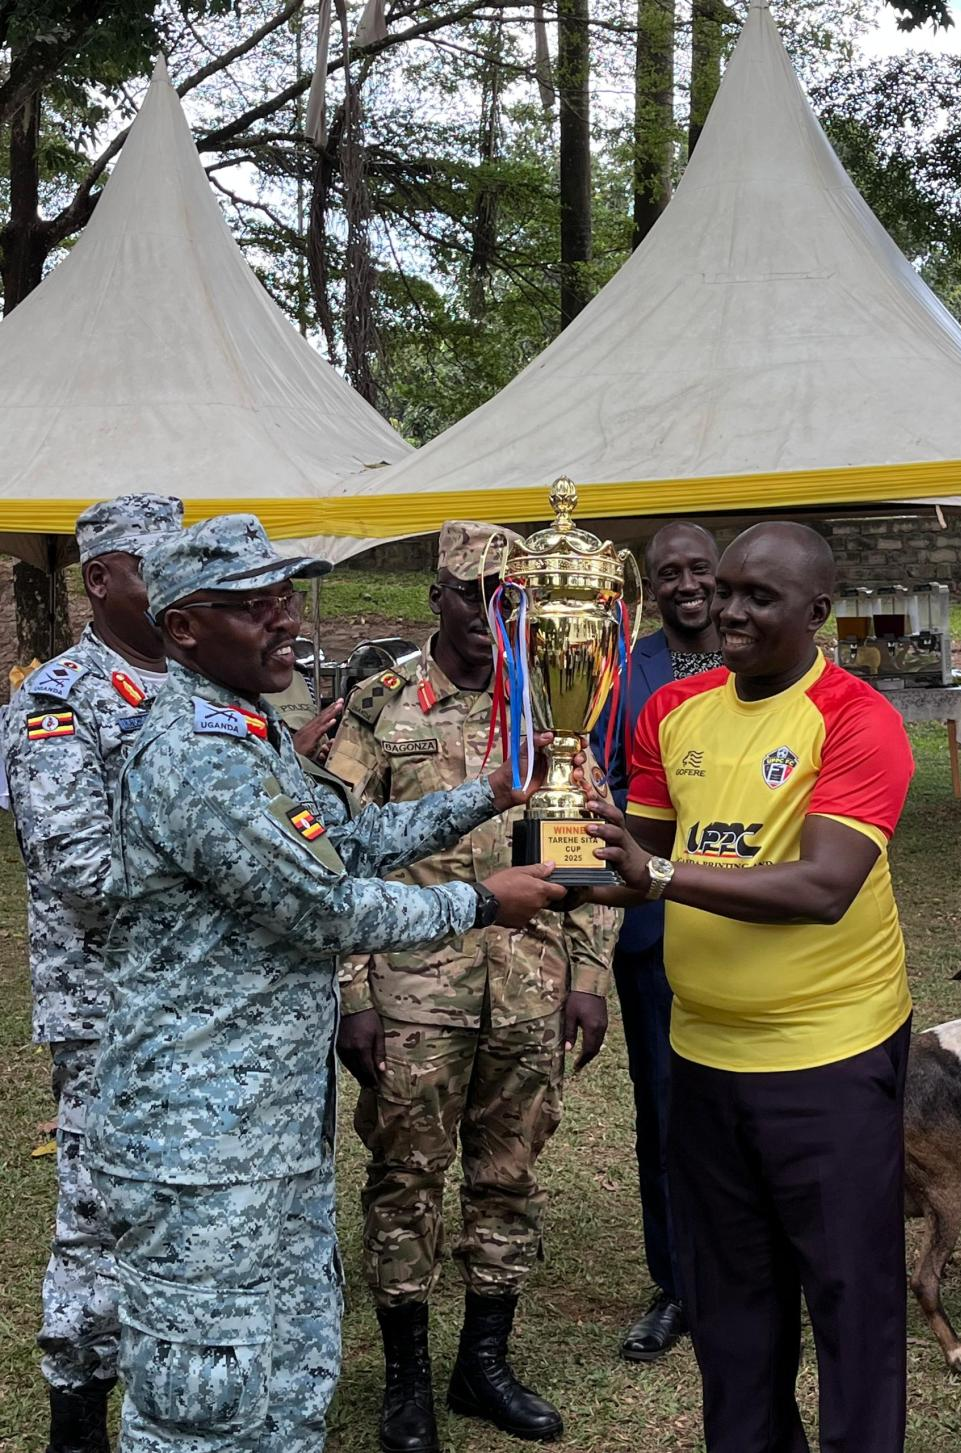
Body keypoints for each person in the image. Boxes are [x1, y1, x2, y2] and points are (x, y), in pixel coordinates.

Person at [83, 514, 571, 1453]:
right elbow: (328, 908)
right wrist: (480, 900)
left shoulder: (249, 733)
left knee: (290, 1371)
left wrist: (488, 794)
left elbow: (342, 841)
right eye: (255, 607)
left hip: (263, 1130)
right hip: (197, 1148)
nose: (286, 624)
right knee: (204, 1394)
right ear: (184, 627)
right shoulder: (196, 755)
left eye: (285, 600)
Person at [585, 521, 915, 1453]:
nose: (728, 608)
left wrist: (658, 876)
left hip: (830, 1061)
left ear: (817, 613)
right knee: (731, 1314)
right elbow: (629, 860)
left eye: (756, 596)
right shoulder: (674, 711)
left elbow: (823, 886)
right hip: (703, 1057)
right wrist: (545, 850)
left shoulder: (856, 718)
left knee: (852, 1307)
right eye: (723, 589)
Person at [326, 520, 617, 1452]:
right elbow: (331, 854)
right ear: (437, 597)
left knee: (508, 1178)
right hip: (415, 995)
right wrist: (354, 990)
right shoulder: (383, 703)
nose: (495, 617)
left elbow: (591, 848)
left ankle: (483, 1365)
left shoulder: (558, 704)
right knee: (405, 1179)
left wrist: (588, 969)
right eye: (474, 595)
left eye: (512, 598)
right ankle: (406, 1378)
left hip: (528, 986)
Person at [4, 493, 184, 1453]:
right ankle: (76, 1415)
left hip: (203, 1012)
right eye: (150, 567)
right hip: (105, 1009)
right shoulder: (57, 699)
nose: (168, 587)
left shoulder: (202, 683)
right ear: (98, 578)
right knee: (96, 1217)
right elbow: (85, 877)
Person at [591, 520, 720, 1361]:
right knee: (666, 1106)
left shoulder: (756, 655)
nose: (685, 585)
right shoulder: (617, 671)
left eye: (697, 569)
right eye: (668, 572)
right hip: (655, 919)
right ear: (651, 585)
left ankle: (759, 1267)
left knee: (757, 1103)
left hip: (752, 912)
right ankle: (676, 1282)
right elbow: (591, 778)